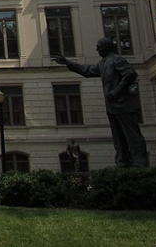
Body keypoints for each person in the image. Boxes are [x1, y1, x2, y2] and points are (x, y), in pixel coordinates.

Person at [52, 37, 147, 167]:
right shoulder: (103, 63)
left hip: (123, 104)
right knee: (118, 137)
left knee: (132, 135)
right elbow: (87, 71)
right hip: (112, 106)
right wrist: (68, 63)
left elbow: (130, 74)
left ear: (107, 47)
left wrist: (116, 92)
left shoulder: (117, 60)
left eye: (99, 47)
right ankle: (123, 161)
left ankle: (139, 163)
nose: (97, 50)